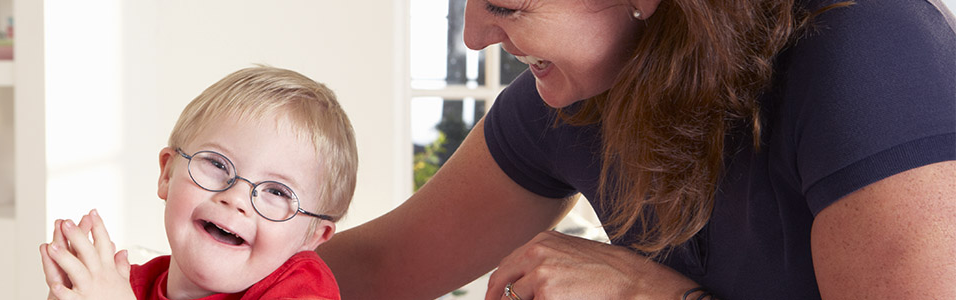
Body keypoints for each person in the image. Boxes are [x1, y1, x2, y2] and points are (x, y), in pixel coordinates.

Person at [318, 0, 956, 299]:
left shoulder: (870, 59)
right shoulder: (572, 96)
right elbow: (375, 270)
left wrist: (648, 295)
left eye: (506, 5)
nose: (475, 37)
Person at [39, 66, 359, 300]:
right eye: (217, 164)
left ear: (314, 235)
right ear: (167, 174)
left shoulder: (300, 289)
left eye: (276, 191)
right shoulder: (127, 284)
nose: (235, 198)